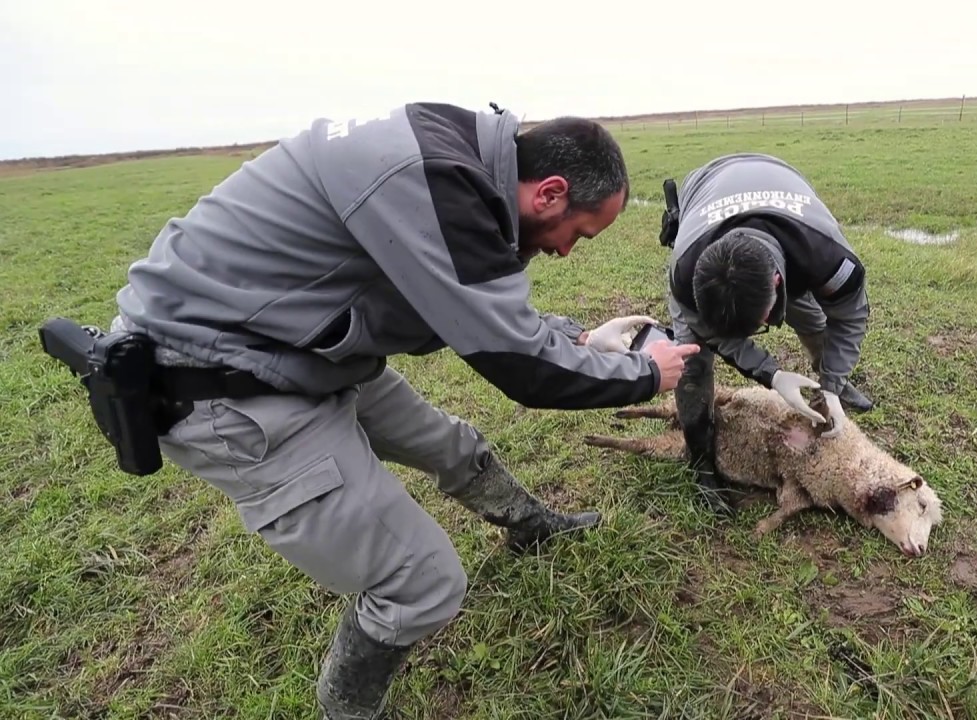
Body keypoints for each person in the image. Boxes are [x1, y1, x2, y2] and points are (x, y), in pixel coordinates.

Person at [105, 101, 700, 719]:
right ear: (549, 192)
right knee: (421, 582)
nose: (568, 253)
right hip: (223, 383)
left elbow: (454, 299)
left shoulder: (451, 154)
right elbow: (520, 366)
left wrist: (574, 338)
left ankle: (531, 527)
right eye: (577, 234)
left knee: (454, 446)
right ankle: (349, 708)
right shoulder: (437, 186)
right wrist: (647, 373)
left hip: (297, 348)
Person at [659, 152, 874, 514]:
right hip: (707, 190)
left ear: (778, 282)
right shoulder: (687, 270)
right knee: (691, 362)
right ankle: (700, 462)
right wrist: (771, 374)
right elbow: (706, 332)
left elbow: (849, 318)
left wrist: (833, 382)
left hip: (781, 184)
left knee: (816, 323)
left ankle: (834, 384)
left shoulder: (828, 257)